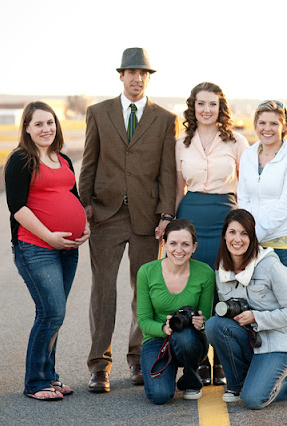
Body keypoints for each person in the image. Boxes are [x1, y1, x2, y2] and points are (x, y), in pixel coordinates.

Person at [79, 47, 179, 392]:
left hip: (147, 219)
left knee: (144, 291)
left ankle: (138, 358)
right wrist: (85, 205)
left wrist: (166, 215)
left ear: (148, 78)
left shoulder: (165, 119)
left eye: (143, 73)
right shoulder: (98, 113)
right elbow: (89, 163)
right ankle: (99, 365)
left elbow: (168, 172)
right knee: (102, 290)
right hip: (105, 215)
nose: (138, 78)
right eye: (132, 72)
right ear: (121, 76)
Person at [4, 101, 90, 401]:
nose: (46, 129)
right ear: (27, 128)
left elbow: (72, 195)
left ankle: (49, 377)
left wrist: (84, 225)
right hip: (35, 246)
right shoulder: (20, 160)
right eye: (38, 124)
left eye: (50, 122)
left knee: (56, 315)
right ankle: (35, 382)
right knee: (50, 312)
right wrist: (50, 237)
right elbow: (17, 207)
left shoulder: (62, 159)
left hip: (68, 248)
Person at [175, 82, 248, 386]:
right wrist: (171, 223)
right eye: (201, 104)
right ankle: (201, 360)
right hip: (191, 214)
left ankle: (223, 359)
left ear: (221, 108)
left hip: (224, 216)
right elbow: (178, 188)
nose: (207, 110)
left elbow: (246, 187)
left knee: (223, 286)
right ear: (193, 107)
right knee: (195, 287)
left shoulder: (237, 142)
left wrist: (245, 226)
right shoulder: (181, 143)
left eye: (212, 104)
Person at [204, 209, 287, 409]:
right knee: (215, 325)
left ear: (252, 237)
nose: (237, 239)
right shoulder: (221, 270)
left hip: (280, 341)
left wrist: (255, 316)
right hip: (252, 339)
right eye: (232, 232)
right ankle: (237, 385)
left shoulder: (270, 265)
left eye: (244, 233)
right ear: (224, 235)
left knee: (253, 399)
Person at [137, 219, 214, 404]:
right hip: (157, 338)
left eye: (185, 244)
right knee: (159, 396)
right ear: (164, 244)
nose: (179, 250)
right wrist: (165, 328)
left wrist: (201, 323)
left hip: (189, 339)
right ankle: (168, 373)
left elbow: (207, 318)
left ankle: (191, 378)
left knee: (184, 337)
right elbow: (144, 321)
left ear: (194, 246)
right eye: (173, 243)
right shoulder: (146, 272)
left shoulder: (205, 273)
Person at [237, 100, 287, 295]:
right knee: (255, 301)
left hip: (286, 245)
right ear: (255, 125)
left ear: (284, 126)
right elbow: (243, 196)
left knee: (285, 304)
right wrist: (249, 233)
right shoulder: (248, 154)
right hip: (254, 243)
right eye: (262, 123)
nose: (267, 129)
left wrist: (255, 234)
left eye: (274, 123)